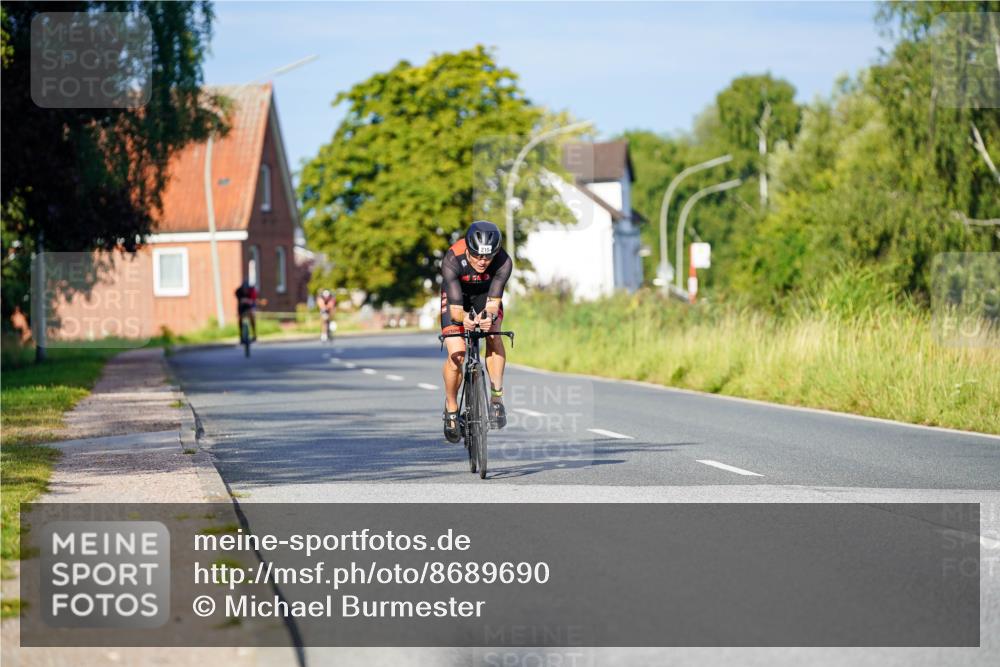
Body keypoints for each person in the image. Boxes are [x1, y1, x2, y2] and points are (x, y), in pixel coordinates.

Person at [440, 220, 512, 443]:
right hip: (457, 298)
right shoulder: (452, 259)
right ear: (469, 250)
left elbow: (493, 304)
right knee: (457, 353)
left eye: (487, 257)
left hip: (485, 296)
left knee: (493, 334)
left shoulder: (503, 262)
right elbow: (454, 312)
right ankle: (451, 407)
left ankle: (497, 398)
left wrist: (487, 317)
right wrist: (466, 319)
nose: (483, 262)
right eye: (477, 256)